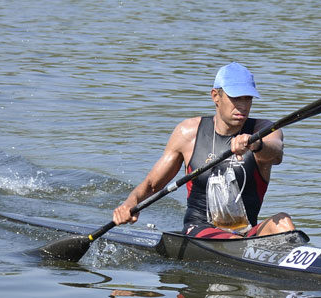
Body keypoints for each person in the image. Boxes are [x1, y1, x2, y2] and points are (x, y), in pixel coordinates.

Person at [112, 62, 296, 239]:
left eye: (248, 98)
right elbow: (153, 184)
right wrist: (130, 204)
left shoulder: (262, 131)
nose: (243, 106)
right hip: (200, 230)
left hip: (246, 232)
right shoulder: (187, 133)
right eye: (235, 98)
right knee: (228, 240)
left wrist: (255, 144)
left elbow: (276, 154)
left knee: (284, 223)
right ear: (216, 96)